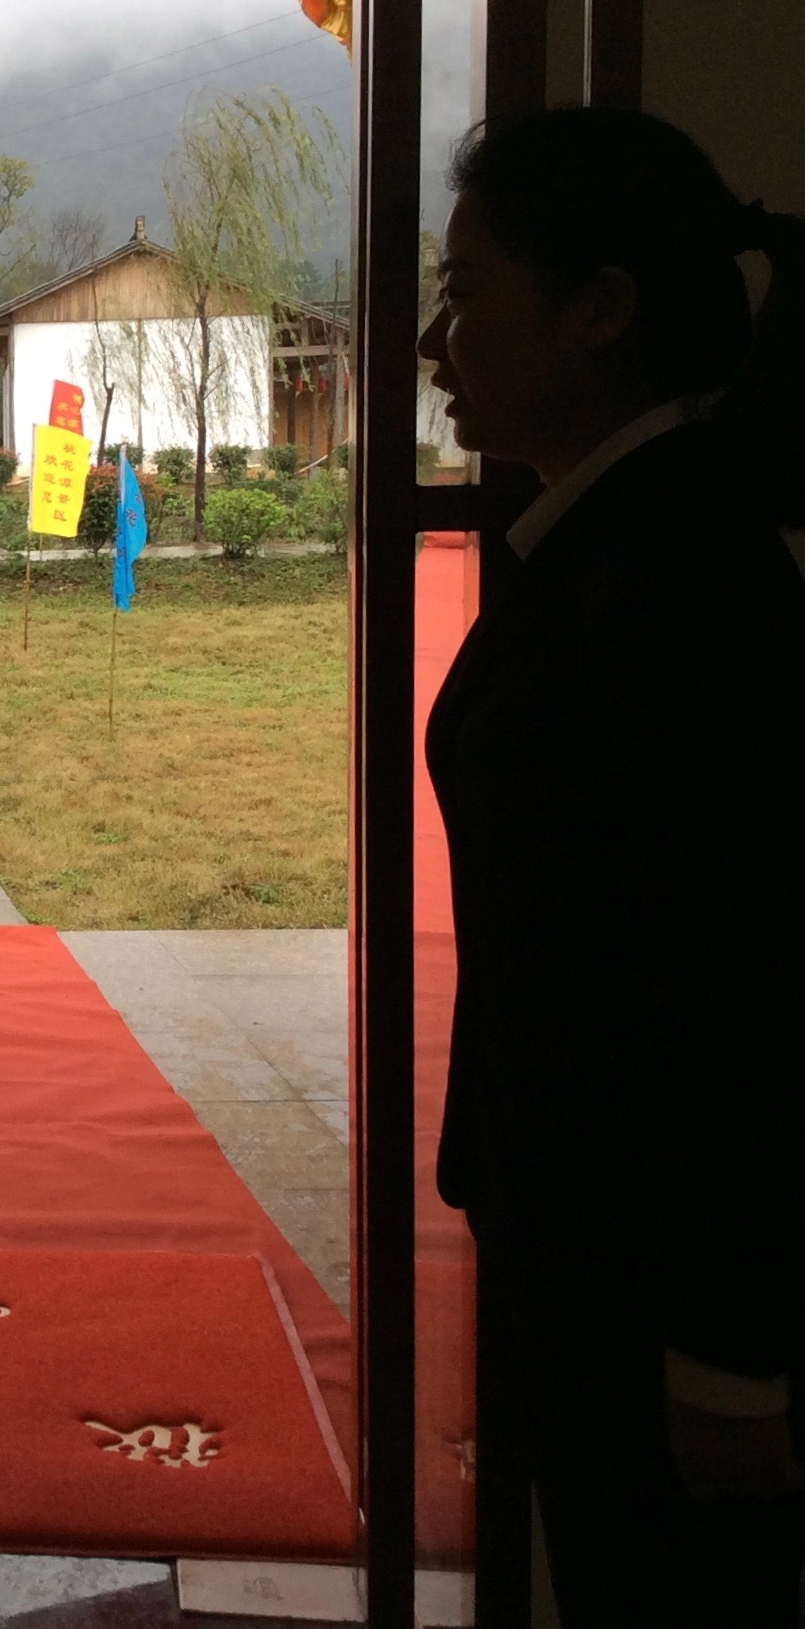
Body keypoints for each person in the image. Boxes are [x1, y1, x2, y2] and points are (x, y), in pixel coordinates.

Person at [418, 109, 803, 1626]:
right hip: (578, 1238)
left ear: (600, 309)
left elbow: (744, 985)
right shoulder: (597, 533)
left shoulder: (683, 583)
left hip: (651, 1287)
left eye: (469, 290)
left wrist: (729, 1346)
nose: (440, 336)